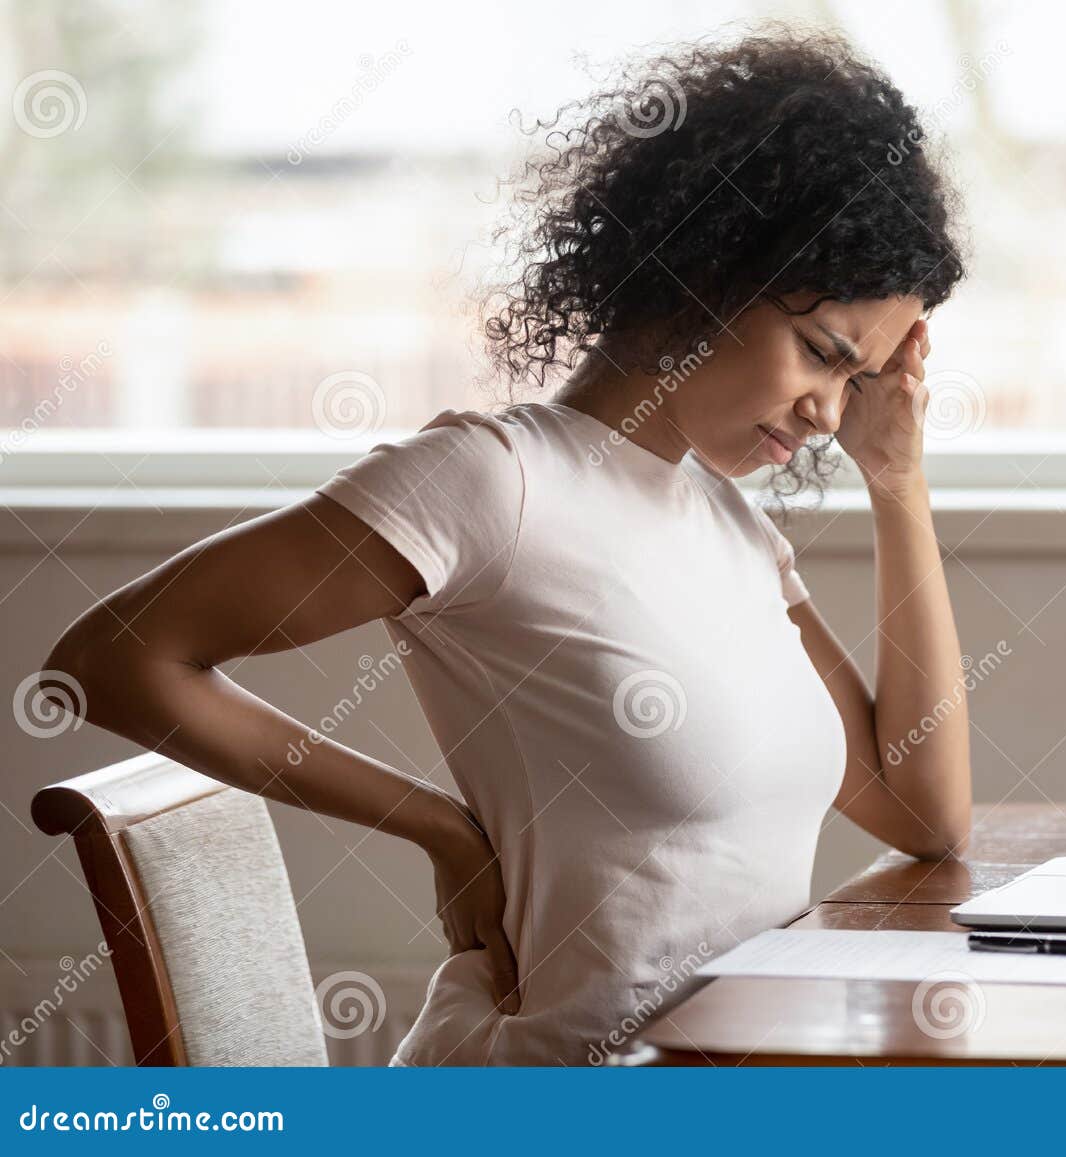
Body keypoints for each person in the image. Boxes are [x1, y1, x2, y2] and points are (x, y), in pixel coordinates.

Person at [44, 24, 972, 1064]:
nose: (824, 412)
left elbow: (923, 812)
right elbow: (110, 659)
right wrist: (438, 826)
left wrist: (897, 480)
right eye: (821, 354)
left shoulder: (731, 528)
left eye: (855, 381)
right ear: (707, 268)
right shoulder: (493, 483)